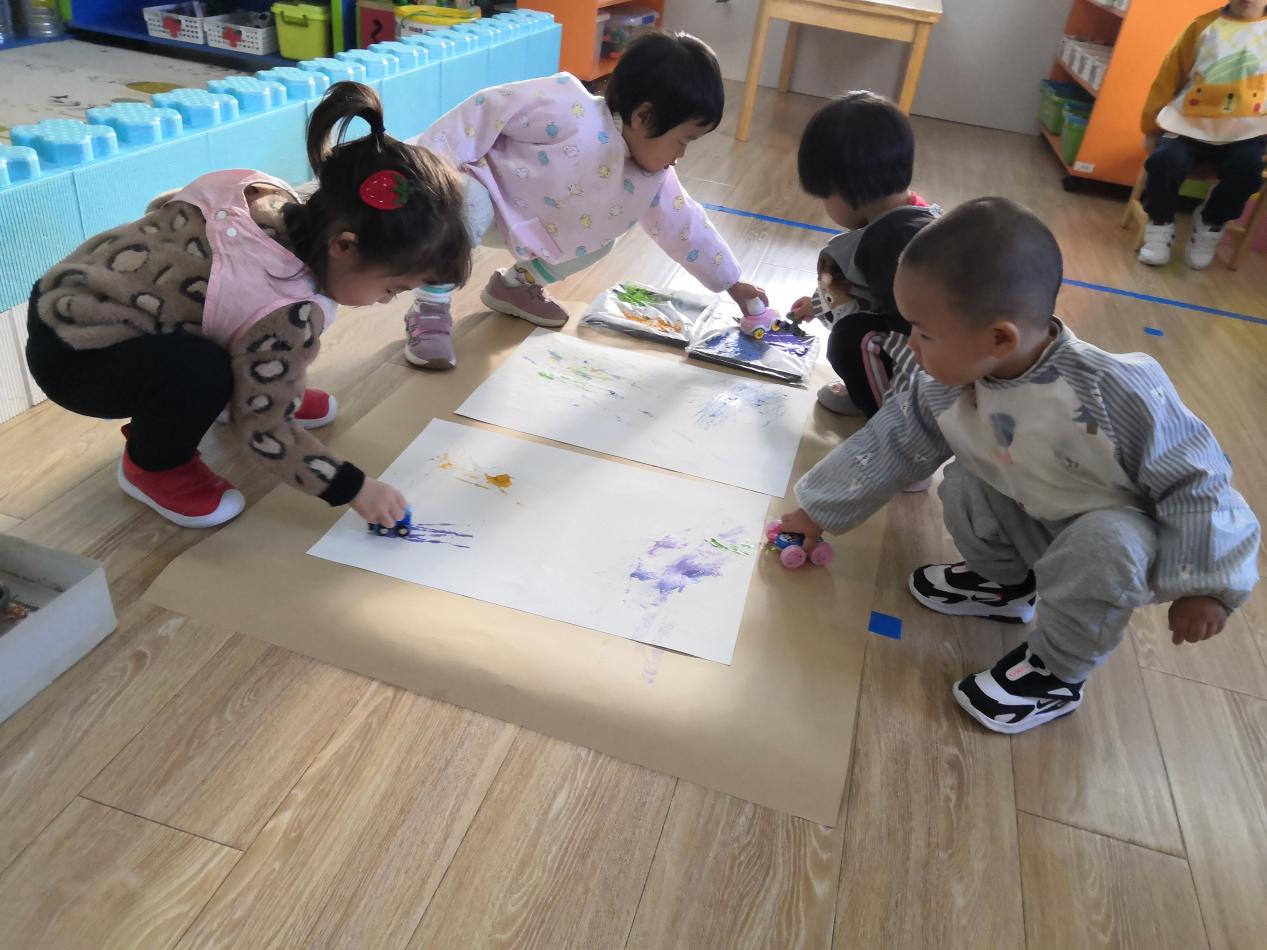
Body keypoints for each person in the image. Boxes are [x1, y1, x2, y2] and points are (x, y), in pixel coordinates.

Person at [778, 197, 1259, 733]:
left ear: (999, 338)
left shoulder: (1119, 389)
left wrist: (1208, 587)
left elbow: (1199, 479)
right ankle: (1005, 586)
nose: (910, 343)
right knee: (965, 482)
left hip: (1119, 549)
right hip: (1040, 513)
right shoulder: (947, 381)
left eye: (924, 332)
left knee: (1106, 540)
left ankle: (1057, 672)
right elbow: (893, 441)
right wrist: (816, 511)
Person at [25, 82, 470, 529]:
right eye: (392, 288)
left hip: (61, 301)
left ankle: (238, 387)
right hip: (80, 360)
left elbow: (164, 206)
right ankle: (153, 464)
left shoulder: (265, 194)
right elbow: (264, 429)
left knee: (211, 349)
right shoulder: (289, 309)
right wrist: (356, 488)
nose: (384, 301)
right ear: (344, 247)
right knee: (201, 371)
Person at [401, 30, 767, 369]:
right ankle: (430, 308)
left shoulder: (653, 178)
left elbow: (685, 226)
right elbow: (487, 108)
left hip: (537, 226)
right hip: (484, 193)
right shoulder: (568, 107)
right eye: (683, 141)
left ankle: (515, 286)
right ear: (644, 117)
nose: (681, 155)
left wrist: (732, 283)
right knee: (472, 204)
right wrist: (429, 164)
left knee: (601, 243)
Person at [789, 91, 938, 424]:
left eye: (824, 196)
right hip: (929, 352)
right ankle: (874, 388)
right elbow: (859, 290)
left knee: (849, 339)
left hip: (927, 369)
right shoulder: (911, 214)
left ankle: (888, 416)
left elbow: (916, 336)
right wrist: (817, 305)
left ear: (845, 189)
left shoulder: (891, 241)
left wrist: (908, 410)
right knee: (856, 327)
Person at [1137, 0, 1267, 269]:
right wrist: (1150, 127)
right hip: (1189, 126)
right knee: (1165, 160)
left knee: (1248, 168)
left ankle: (1212, 221)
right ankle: (1160, 222)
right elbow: (1168, 77)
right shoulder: (1202, 27)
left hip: (1247, 132)